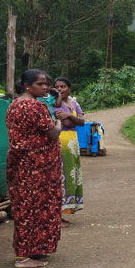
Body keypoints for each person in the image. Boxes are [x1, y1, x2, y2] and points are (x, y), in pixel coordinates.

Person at [5, 69, 63, 268]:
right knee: (33, 208)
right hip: (37, 166)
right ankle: (24, 256)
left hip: (23, 164)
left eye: (46, 84)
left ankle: (32, 250)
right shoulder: (34, 106)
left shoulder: (14, 105)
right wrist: (59, 122)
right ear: (27, 86)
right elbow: (53, 133)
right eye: (40, 84)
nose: (45, 87)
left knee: (28, 207)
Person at [52, 78, 85, 224]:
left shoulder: (74, 102)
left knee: (72, 175)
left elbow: (82, 121)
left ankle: (66, 209)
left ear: (69, 88)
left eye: (63, 86)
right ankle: (57, 214)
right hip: (61, 142)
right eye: (57, 87)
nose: (60, 89)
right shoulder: (54, 104)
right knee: (62, 176)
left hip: (73, 144)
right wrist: (73, 118)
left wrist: (70, 116)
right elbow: (66, 123)